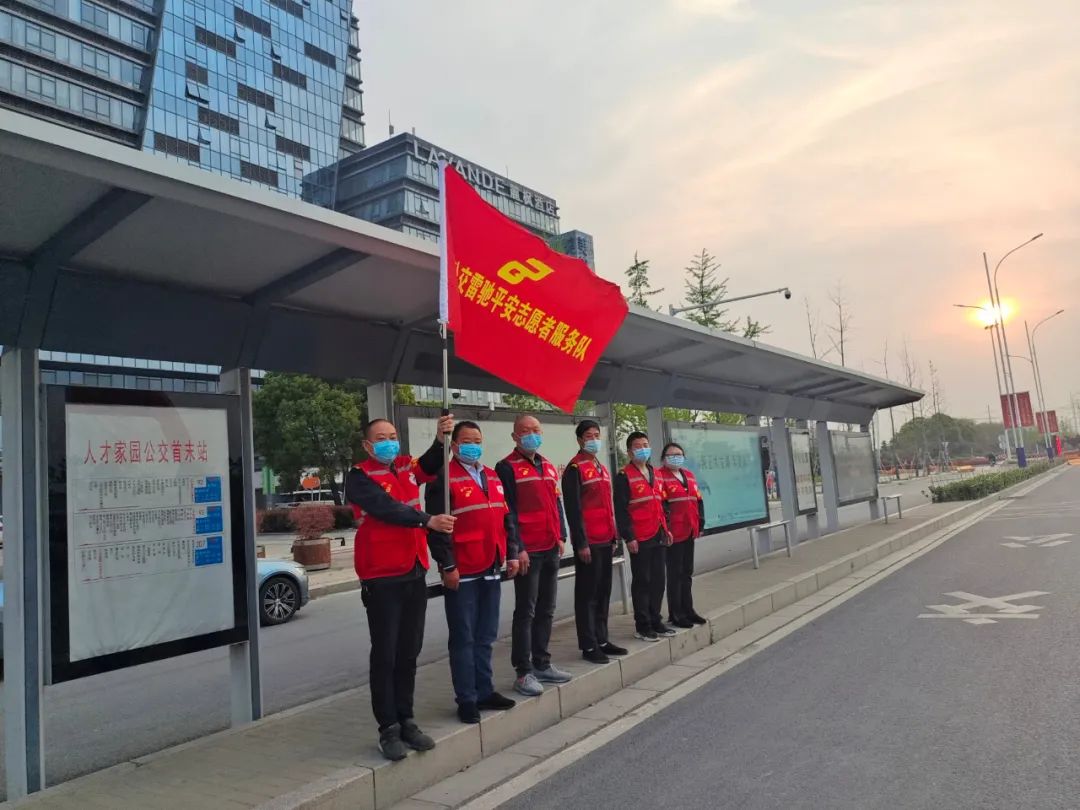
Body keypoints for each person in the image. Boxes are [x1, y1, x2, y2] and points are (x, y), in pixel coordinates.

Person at [345, 414, 457, 762]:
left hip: (413, 569)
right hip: (381, 575)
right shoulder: (358, 476)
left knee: (409, 651)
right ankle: (388, 728)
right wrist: (428, 520)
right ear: (367, 445)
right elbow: (387, 509)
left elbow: (431, 463)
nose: (389, 442)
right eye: (381, 438)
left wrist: (442, 439)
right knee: (386, 653)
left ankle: (407, 720)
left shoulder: (407, 467)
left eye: (393, 436)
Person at [427, 421, 521, 724]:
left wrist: (512, 553)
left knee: (485, 635)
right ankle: (466, 699)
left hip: (492, 563)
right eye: (467, 441)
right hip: (462, 568)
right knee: (463, 638)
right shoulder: (443, 478)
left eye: (477, 441)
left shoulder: (491, 475)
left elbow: (506, 518)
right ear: (454, 445)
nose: (473, 446)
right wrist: (447, 564)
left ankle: (485, 690)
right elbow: (436, 529)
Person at [496, 414, 573, 697]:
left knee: (546, 609)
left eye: (536, 430)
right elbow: (508, 511)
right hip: (529, 551)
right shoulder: (506, 467)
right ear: (515, 436)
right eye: (526, 431)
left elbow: (556, 502)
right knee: (526, 612)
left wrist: (561, 535)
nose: (532, 435)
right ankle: (523, 672)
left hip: (551, 546)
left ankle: (542, 663)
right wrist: (518, 548)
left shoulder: (548, 465)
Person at [562, 420, 629, 665]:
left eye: (596, 435)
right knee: (587, 594)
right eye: (589, 436)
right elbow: (573, 509)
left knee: (603, 592)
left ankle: (602, 639)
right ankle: (589, 644)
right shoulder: (575, 468)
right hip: (589, 542)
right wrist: (581, 543)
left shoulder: (600, 466)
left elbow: (607, 506)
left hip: (605, 538)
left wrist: (613, 536)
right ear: (580, 440)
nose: (594, 439)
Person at [615, 431, 674, 642]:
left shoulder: (655, 473)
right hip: (639, 536)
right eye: (638, 446)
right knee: (643, 581)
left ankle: (656, 620)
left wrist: (666, 528)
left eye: (645, 445)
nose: (643, 449)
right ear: (630, 452)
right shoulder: (624, 476)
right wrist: (629, 537)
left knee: (659, 579)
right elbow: (621, 510)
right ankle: (643, 625)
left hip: (658, 532)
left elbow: (662, 504)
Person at [656, 443, 707, 628]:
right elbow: (660, 505)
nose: (675, 457)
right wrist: (665, 529)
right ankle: (676, 613)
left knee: (687, 573)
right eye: (671, 455)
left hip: (689, 529)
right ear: (664, 458)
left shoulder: (689, 475)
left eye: (679, 454)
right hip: (673, 533)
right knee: (675, 574)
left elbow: (698, 500)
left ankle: (688, 610)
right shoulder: (660, 476)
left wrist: (700, 522)